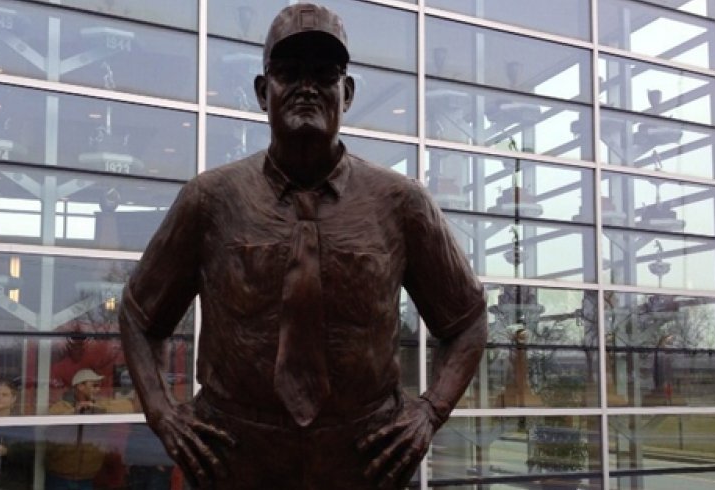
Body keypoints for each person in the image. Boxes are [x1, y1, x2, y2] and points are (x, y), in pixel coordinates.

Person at [119, 4, 487, 489]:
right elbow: (139, 316)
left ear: (347, 93)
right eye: (289, 72)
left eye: (324, 74)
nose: (307, 87)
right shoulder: (210, 200)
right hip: (235, 465)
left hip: (362, 465)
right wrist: (163, 414)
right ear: (261, 91)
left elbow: (466, 320)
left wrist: (429, 412)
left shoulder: (401, 204)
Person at [45, 369, 132, 490]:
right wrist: (75, 411)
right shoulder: (61, 406)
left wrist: (96, 407)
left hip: (88, 477)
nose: (98, 389)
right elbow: (51, 425)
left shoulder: (101, 404)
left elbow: (127, 407)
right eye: (94, 386)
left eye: (99, 386)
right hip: (59, 477)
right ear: (80, 386)